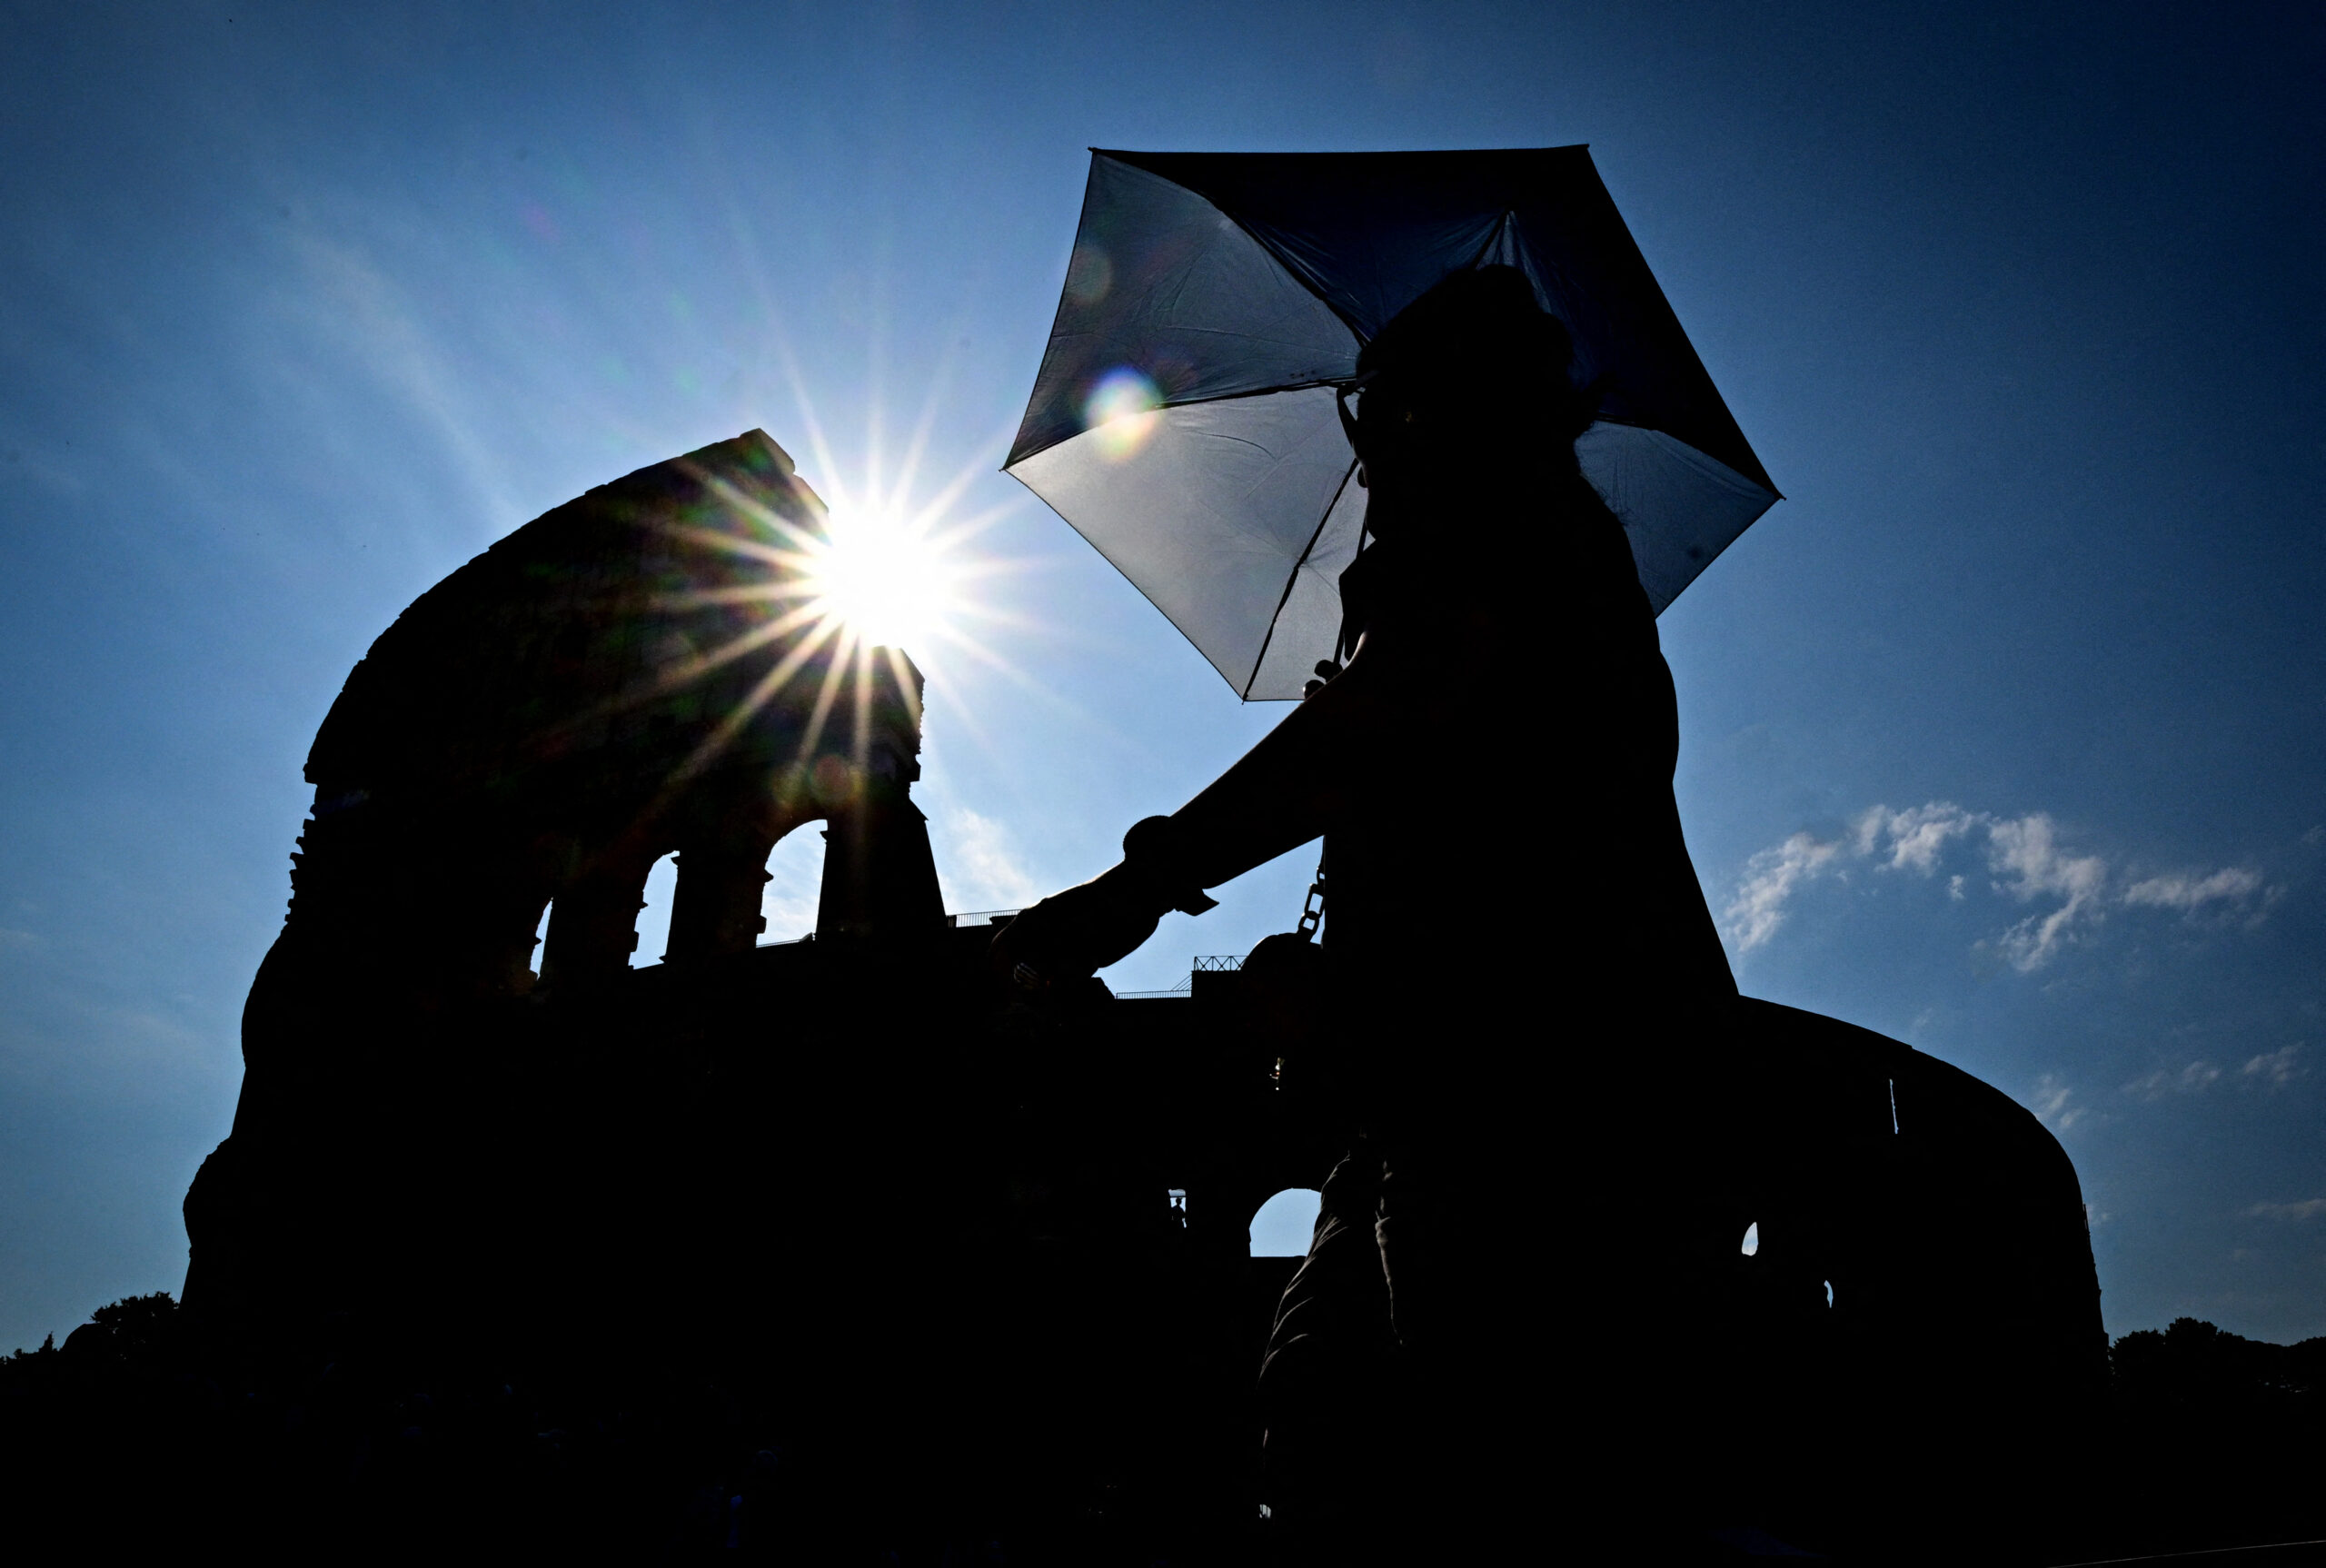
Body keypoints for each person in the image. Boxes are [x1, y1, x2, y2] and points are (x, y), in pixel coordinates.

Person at [993, 264, 1740, 1558]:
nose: (1370, 469)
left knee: (1500, 1477)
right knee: (1333, 1410)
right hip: (1503, 1084)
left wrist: (1137, 886)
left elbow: (1371, 734)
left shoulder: (1493, 535)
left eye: (1384, 426)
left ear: (1440, 415)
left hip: (1539, 1092)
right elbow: (1445, 804)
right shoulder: (1546, 552)